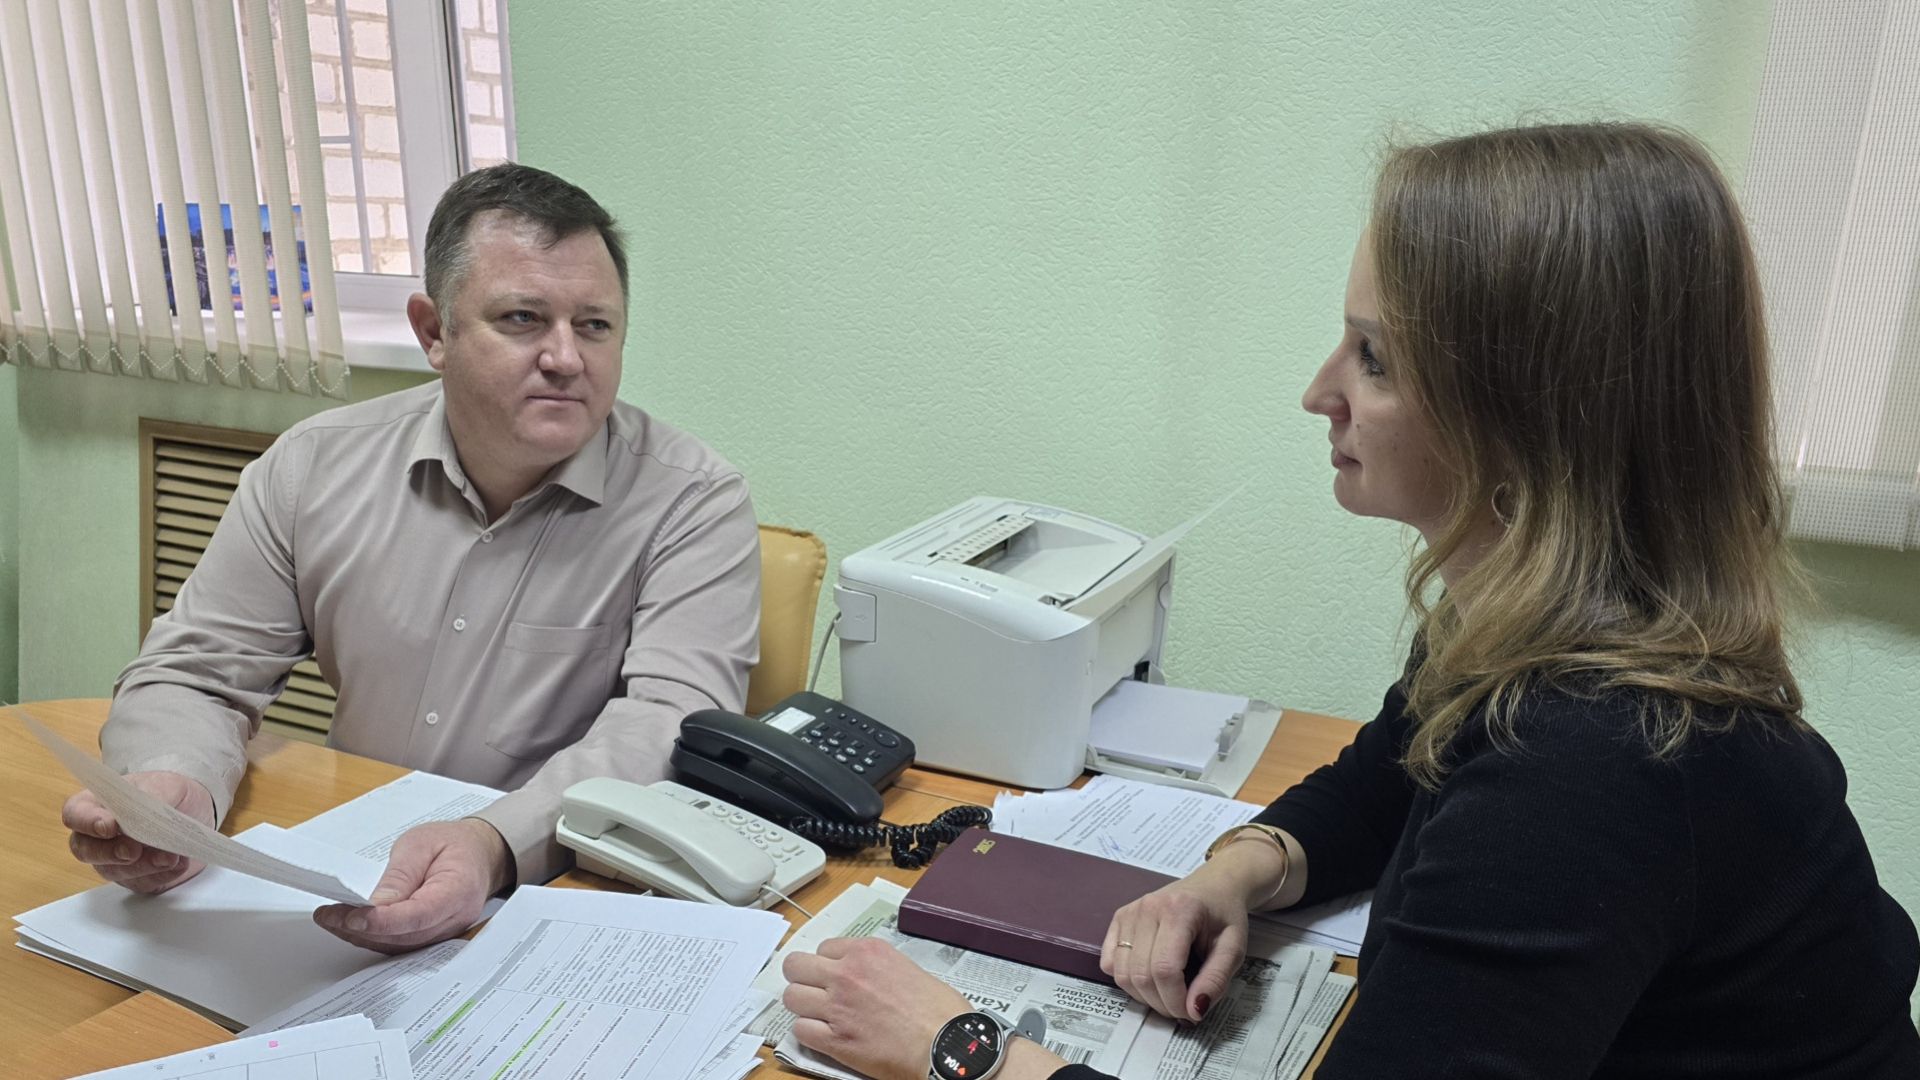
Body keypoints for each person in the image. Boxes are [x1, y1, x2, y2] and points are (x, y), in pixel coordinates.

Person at [778, 123, 1920, 1078]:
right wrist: (1237, 870)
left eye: (1373, 358)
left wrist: (961, 1047)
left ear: (1521, 412)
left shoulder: (1586, 765)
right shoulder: (1549, 614)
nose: (1318, 391)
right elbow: (1388, 781)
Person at [59, 163, 761, 954]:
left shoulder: (691, 500)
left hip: (558, 897)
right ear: (434, 332)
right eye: (523, 318)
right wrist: (174, 782)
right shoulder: (314, 467)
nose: (567, 357)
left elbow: (668, 726)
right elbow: (198, 671)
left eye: (595, 325)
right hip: (350, 880)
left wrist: (494, 845)